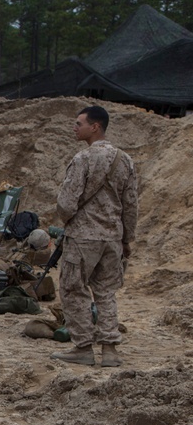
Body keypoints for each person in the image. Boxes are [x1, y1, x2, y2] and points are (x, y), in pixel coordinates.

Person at [52, 105, 139, 367]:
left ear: (95, 127)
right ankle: (110, 350)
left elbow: (66, 204)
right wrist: (127, 239)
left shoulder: (83, 159)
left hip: (83, 238)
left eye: (79, 123)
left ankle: (83, 347)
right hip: (113, 237)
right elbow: (131, 204)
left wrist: (68, 221)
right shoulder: (124, 160)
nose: (75, 128)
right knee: (106, 292)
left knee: (73, 289)